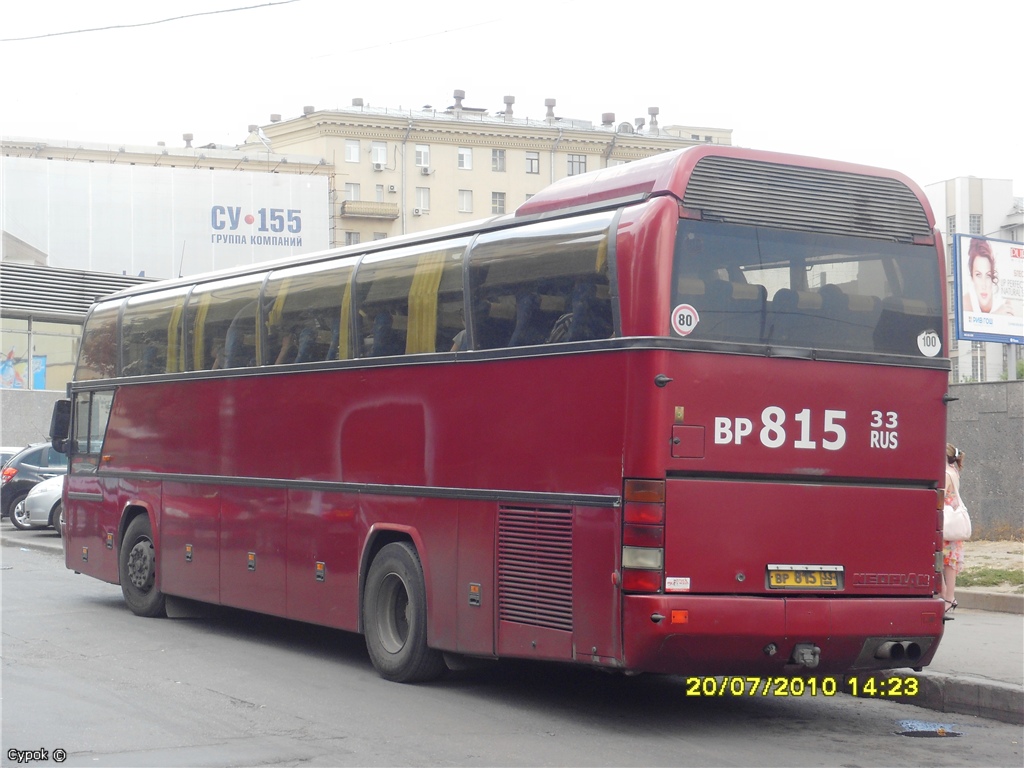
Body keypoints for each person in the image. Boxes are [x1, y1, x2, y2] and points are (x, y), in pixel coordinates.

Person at [942, 443, 967, 617]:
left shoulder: (945, 473)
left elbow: (941, 494)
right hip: (953, 523)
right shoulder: (954, 471)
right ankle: (948, 597)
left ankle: (948, 598)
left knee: (944, 563)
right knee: (950, 563)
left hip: (946, 523)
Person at [963, 238, 1013, 315]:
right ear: (972, 277)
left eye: (988, 275)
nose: (984, 285)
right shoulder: (966, 302)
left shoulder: (1004, 300)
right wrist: (995, 316)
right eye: (978, 275)